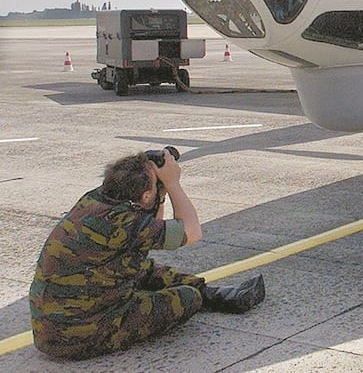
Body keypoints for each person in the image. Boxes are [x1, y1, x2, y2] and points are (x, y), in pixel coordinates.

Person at [28, 149, 265, 360]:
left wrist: (155, 187)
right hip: (80, 336)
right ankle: (203, 295)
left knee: (144, 268)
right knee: (187, 298)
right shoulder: (124, 222)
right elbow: (192, 232)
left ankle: (212, 294)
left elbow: (149, 232)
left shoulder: (95, 200)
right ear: (144, 197)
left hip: (52, 326)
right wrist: (172, 184)